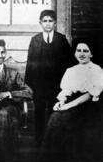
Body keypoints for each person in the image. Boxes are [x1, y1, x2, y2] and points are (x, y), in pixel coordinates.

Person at [39, 39, 103, 162]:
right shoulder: (71, 70)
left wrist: (69, 106)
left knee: (62, 120)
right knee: (54, 118)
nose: (81, 54)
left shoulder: (97, 70)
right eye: (79, 50)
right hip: (71, 102)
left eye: (85, 51)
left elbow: (89, 94)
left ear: (91, 54)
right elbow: (66, 91)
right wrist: (61, 102)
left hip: (88, 106)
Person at [25, 9, 75, 145]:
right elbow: (30, 64)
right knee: (39, 112)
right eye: (45, 21)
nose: (48, 24)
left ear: (55, 23)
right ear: (40, 23)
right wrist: (29, 85)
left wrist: (67, 85)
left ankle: (53, 141)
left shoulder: (61, 39)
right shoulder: (35, 40)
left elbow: (70, 63)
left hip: (57, 85)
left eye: (50, 21)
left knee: (55, 111)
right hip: (39, 85)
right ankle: (39, 140)